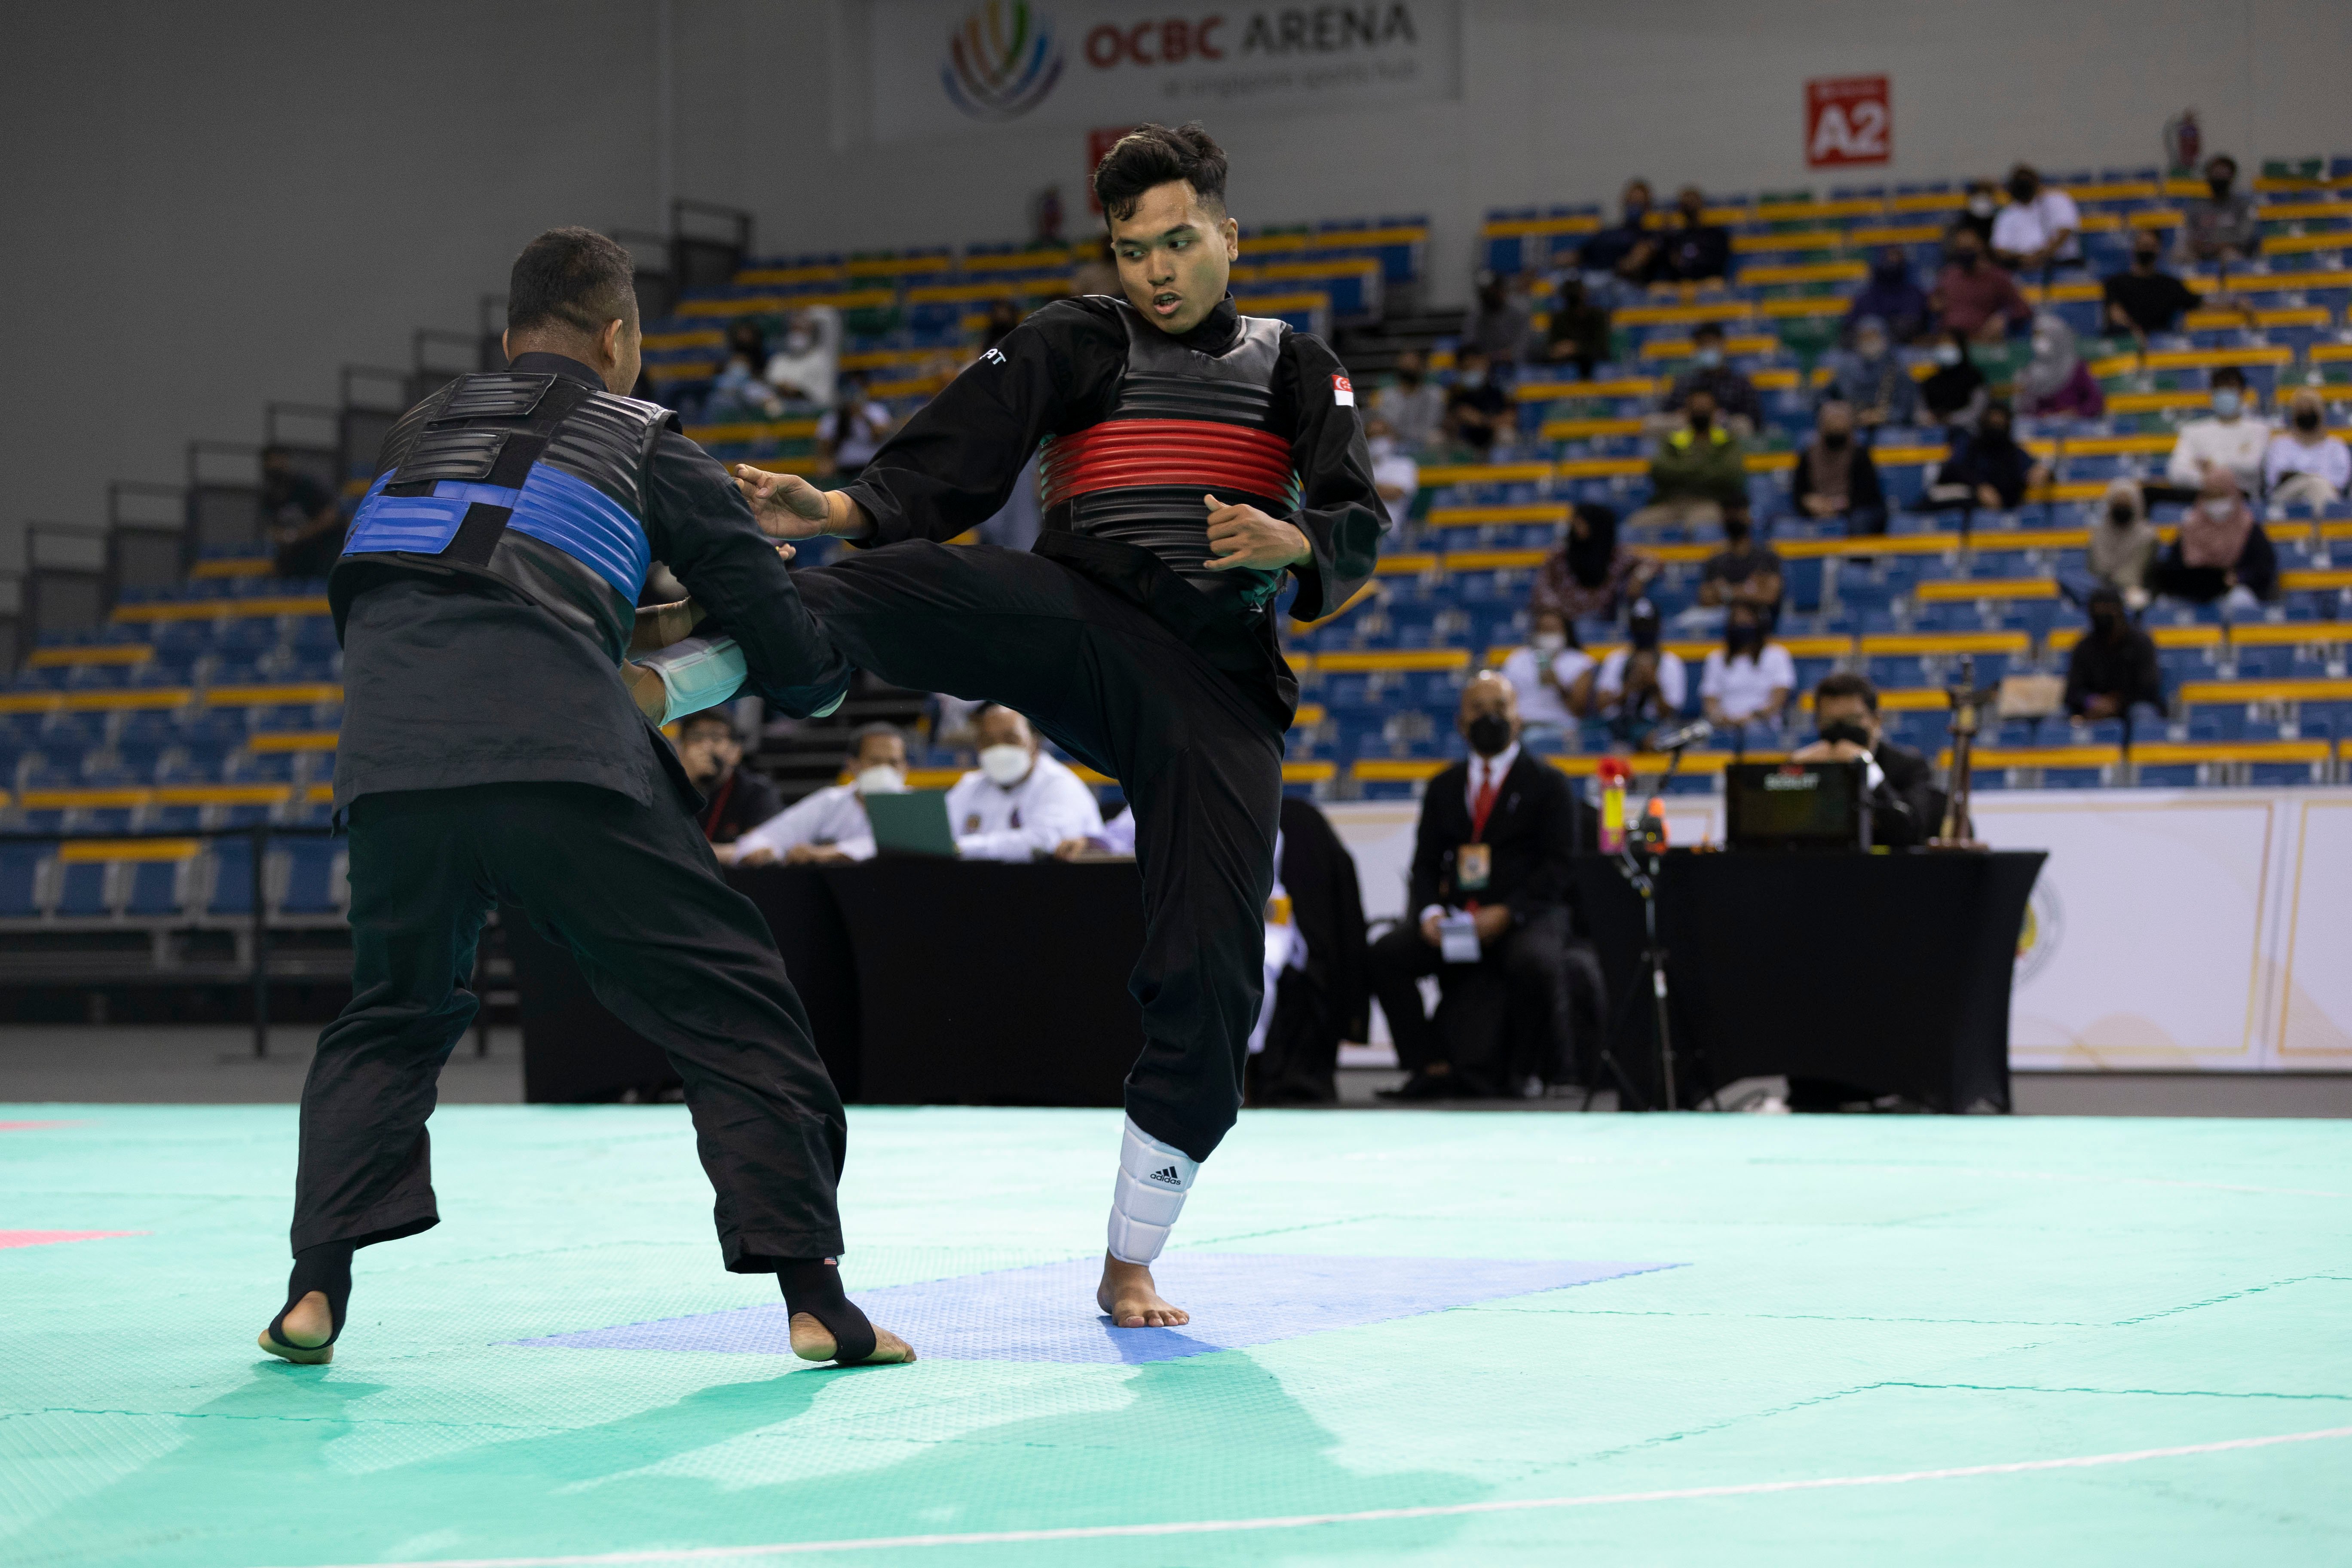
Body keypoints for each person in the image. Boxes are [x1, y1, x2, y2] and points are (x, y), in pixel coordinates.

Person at [649, 123, 1384, 1330]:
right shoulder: (1076, 339)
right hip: (1081, 622)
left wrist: (1298, 541)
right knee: (896, 584)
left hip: (1215, 690)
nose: (1155, 269)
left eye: (1180, 241)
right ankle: (681, 671)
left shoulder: (1299, 368)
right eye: (1132, 247)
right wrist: (835, 505)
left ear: (1229, 236)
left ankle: (1130, 1256)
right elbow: (956, 461)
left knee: (1211, 973)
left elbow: (1358, 513)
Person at [264, 227, 910, 1370]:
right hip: (559, 754)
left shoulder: (420, 434)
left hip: (391, 754)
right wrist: (745, 646)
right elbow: (804, 674)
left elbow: (459, 585)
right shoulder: (647, 438)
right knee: (733, 1002)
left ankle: (314, 1289)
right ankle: (817, 1298)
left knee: (393, 1010)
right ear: (620, 338)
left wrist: (628, 638)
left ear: (507, 340)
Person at [1367, 673, 1583, 1100]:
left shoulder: (1549, 784)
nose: (1490, 718)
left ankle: (1528, 1073)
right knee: (1385, 956)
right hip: (1459, 920)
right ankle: (1430, 1064)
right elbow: (1426, 864)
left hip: (1525, 915)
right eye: (1478, 709)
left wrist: (1508, 913)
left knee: (1535, 961)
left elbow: (1560, 866)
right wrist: (1430, 914)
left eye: (1500, 707)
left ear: (1519, 719)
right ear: (1460, 722)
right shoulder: (1443, 787)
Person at [1790, 671, 1938, 848]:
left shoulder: (1908, 766)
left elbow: (1910, 832)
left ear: (1876, 721)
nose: (1840, 730)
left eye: (1852, 720)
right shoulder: (1807, 764)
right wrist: (1794, 776)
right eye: (1829, 722)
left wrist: (1867, 769)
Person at [733, 723, 909, 866]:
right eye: (875, 762)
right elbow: (763, 839)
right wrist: (766, 851)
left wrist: (826, 853)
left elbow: (890, 847)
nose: (884, 771)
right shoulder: (831, 801)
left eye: (894, 763)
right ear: (853, 766)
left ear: (905, 768)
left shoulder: (920, 807)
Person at [943, 704, 1102, 859]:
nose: (1000, 750)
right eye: (989, 741)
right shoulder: (971, 785)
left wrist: (962, 847)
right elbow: (940, 836)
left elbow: (1042, 843)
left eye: (1011, 739)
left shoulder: (1061, 785)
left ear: (1034, 742)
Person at [2152, 469, 2278, 608]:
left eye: (2221, 495)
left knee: (2240, 601)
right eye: (2211, 496)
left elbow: (2263, 569)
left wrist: (2239, 578)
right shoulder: (2191, 527)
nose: (2216, 502)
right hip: (2192, 596)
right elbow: (2173, 568)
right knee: (2163, 604)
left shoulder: (2248, 528)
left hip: (2229, 595)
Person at [1629, 387, 1746, 532]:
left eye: (1705, 408)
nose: (1700, 411)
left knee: (1697, 528)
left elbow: (1731, 475)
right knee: (1635, 526)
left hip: (1710, 503)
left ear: (1716, 412)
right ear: (1686, 412)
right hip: (1671, 503)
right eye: (1696, 407)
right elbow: (1659, 471)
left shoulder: (1727, 442)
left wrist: (1682, 471)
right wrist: (1705, 470)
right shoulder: (1673, 440)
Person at [676, 710, 783, 859]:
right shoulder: (668, 788)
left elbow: (760, 852)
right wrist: (684, 782)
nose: (705, 746)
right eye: (695, 737)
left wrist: (692, 854)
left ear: (736, 752)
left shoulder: (757, 791)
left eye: (716, 737)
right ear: (680, 750)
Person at [1530, 501, 1656, 623]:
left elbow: (1653, 561)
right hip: (1565, 624)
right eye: (1575, 521)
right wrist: (1558, 612)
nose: (1575, 526)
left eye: (1582, 522)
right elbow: (1542, 588)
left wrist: (1639, 576)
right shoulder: (1560, 555)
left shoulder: (1617, 556)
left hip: (1604, 623)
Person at [1593, 600, 1688, 746]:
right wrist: (1629, 688)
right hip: (1616, 721)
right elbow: (1600, 705)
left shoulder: (1671, 663)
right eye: (1639, 626)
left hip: (1652, 723)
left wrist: (1653, 685)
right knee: (1587, 733)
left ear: (1658, 627)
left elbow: (1670, 714)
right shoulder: (1616, 660)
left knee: (1652, 737)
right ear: (1631, 628)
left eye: (1648, 626)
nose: (1643, 631)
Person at [2063, 586, 2163, 722]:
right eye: (2098, 610)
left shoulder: (2140, 643)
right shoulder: (2084, 647)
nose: (2103, 614)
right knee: (2058, 717)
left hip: (2131, 705)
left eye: (2108, 609)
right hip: (2093, 709)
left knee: (2143, 713)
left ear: (2120, 611)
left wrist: (2116, 703)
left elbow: (2148, 687)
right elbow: (2072, 692)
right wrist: (2092, 702)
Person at [2164, 368, 2269, 495]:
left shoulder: (2259, 430)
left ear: (2242, 393)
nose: (2225, 393)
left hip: (2244, 500)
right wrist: (2210, 482)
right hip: (2200, 496)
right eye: (2220, 389)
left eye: (2230, 388)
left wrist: (2208, 465)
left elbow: (2250, 467)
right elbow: (2177, 473)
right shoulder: (2193, 431)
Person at [1700, 601, 1794, 741]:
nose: (1742, 626)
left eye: (1747, 621)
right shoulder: (1715, 659)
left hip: (1763, 725)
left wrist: (1751, 718)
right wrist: (1723, 719)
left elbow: (1778, 699)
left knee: (1754, 732)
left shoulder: (1777, 655)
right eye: (1737, 622)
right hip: (1724, 726)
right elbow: (1710, 701)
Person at [1791, 400, 1887, 537]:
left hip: (1852, 512)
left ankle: (1855, 559)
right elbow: (1799, 493)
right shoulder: (1808, 455)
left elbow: (1867, 496)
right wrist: (1810, 502)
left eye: (1840, 421)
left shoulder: (1860, 454)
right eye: (1832, 421)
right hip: (1816, 511)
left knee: (1860, 521)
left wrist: (1835, 506)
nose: (1836, 425)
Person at [1498, 608, 1596, 735]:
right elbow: (1503, 702)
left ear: (1565, 632)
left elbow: (1579, 711)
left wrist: (1559, 686)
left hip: (1562, 727)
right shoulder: (1517, 659)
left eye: (1553, 630)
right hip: (1523, 726)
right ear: (1535, 632)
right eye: (1544, 630)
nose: (1548, 634)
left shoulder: (1580, 662)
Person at [1933, 401, 2046, 510]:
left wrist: (2042, 472)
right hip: (1961, 504)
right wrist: (1980, 487)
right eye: (1992, 422)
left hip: (2000, 512)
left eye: (2000, 423)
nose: (1996, 427)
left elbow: (2035, 469)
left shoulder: (2013, 451)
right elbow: (1953, 470)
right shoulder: (1969, 446)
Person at [1931, 226, 2030, 344]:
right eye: (1961, 249)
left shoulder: (1997, 277)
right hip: (1951, 343)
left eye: (1969, 249)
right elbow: (1934, 302)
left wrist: (2004, 318)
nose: (1965, 253)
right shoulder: (1949, 275)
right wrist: (1936, 303)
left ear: (1980, 246)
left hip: (1982, 343)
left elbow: (2022, 309)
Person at [1821, 315, 1919, 430]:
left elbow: (1907, 408)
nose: (1869, 341)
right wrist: (1844, 414)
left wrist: (1884, 416)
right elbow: (1824, 398)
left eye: (1874, 336)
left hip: (1891, 429)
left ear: (1885, 338)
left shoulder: (1898, 368)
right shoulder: (1845, 369)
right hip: (1852, 428)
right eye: (1865, 337)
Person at [1661, 322, 1759, 435]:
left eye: (1711, 343)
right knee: (1653, 423)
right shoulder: (1685, 382)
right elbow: (1667, 413)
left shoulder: (1740, 384)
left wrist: (1721, 417)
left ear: (1722, 345)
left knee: (1742, 424)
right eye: (1702, 344)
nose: (1707, 348)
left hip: (1725, 433)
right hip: (1689, 432)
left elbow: (1754, 420)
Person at [263, 445, 345, 580]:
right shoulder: (269, 495)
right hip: (299, 551)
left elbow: (330, 515)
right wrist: (284, 537)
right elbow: (272, 528)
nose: (274, 466)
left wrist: (298, 535)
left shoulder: (305, 486)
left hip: (325, 545)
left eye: (278, 460)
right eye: (270, 462)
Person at [2263, 387, 2350, 509]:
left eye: (2311, 406)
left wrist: (2305, 478)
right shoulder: (2279, 445)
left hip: (2326, 499)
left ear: (2321, 412)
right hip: (2286, 499)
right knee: (2316, 484)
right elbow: (2275, 479)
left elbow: (2338, 483)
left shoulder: (2336, 447)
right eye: (2302, 406)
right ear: (2293, 413)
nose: (2306, 410)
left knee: (2318, 486)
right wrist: (2310, 480)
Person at [2103, 235, 2203, 340]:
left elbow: (2199, 305)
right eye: (2143, 245)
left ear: (2159, 250)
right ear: (2135, 248)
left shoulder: (2170, 285)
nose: (2146, 250)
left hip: (2162, 345)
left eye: (2151, 246)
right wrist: (2134, 332)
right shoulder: (2116, 283)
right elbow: (2115, 313)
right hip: (2125, 342)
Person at [2082, 478, 2159, 610]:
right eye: (2118, 502)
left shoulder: (2148, 536)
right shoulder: (2099, 534)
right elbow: (2096, 569)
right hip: (2100, 589)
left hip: (2134, 589)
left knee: (2137, 601)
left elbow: (2135, 572)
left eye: (2126, 502)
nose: (2122, 506)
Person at [1988, 164, 2080, 275]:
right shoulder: (2007, 214)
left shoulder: (2057, 201)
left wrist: (2041, 256)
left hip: (2059, 264)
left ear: (2035, 183)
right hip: (2019, 267)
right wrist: (2024, 258)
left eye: (2027, 182)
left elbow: (2065, 231)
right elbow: (2000, 249)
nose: (2024, 186)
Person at [1696, 509, 1783, 622]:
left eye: (1739, 513)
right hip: (1724, 622)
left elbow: (1770, 596)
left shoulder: (1768, 557)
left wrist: (1726, 591)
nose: (1735, 518)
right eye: (1730, 513)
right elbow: (1706, 598)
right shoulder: (1716, 560)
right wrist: (1749, 590)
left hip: (1761, 622)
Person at [2015, 312, 2104, 420]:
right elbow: (2026, 409)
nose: (2040, 342)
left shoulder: (2077, 367)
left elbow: (2096, 401)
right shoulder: (2030, 371)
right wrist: (2043, 416)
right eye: (2037, 336)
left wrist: (2076, 413)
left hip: (2076, 426)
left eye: (2045, 335)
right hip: (2043, 429)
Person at [2177, 154, 2260, 266]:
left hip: (2230, 251)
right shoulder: (2197, 207)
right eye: (2216, 174)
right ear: (2208, 177)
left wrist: (2221, 245)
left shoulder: (2243, 206)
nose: (2220, 179)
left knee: (2232, 259)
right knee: (2180, 256)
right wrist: (2199, 244)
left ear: (2231, 177)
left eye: (2224, 175)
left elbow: (2245, 236)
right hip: (2200, 252)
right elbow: (2188, 232)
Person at [1842, 248, 1932, 345]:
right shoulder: (1866, 296)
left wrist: (1885, 332)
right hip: (1864, 353)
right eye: (1888, 259)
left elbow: (1915, 326)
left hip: (1902, 349)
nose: (1891, 264)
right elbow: (1848, 328)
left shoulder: (1913, 294)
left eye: (1895, 259)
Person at [818, 373, 893, 478]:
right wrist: (827, 460)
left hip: (872, 464)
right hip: (846, 467)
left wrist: (863, 417)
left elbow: (880, 436)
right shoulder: (834, 416)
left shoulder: (876, 410)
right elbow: (825, 444)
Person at [1578, 178, 1657, 280]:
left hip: (1622, 283)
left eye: (1638, 203)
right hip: (1589, 277)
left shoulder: (1648, 237)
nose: (1634, 207)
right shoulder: (1608, 233)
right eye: (1631, 202)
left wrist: (1614, 271)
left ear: (1647, 206)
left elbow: (1635, 261)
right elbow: (1581, 254)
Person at [763, 306, 838, 407]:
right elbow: (768, 392)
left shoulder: (821, 358)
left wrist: (806, 314)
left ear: (811, 332)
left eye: (802, 329)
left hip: (811, 415)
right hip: (782, 415)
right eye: (794, 329)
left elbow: (831, 319)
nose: (797, 334)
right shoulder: (778, 361)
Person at [1372, 350, 1445, 453]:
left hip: (1425, 438)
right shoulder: (1386, 396)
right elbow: (1386, 423)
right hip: (1395, 439)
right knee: (1379, 443)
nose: (1410, 368)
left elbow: (1434, 423)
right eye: (1407, 365)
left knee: (1438, 438)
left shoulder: (1435, 394)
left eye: (1414, 365)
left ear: (1421, 367)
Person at [1443, 346, 1510, 455]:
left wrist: (1482, 420)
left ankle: (1507, 471)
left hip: (1491, 440)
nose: (1474, 370)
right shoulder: (1455, 392)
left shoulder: (1496, 389)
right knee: (1437, 438)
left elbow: (1510, 417)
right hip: (1464, 441)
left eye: (1477, 366)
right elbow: (1450, 421)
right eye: (1468, 367)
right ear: (1460, 369)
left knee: (1506, 435)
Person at [1542, 272, 1611, 378]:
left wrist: (1575, 348)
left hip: (1592, 364)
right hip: (1564, 363)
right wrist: (1560, 350)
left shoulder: (1598, 316)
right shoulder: (1559, 318)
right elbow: (1552, 348)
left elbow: (1602, 348)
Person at [1656, 186, 1730, 284]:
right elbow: (1668, 264)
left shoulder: (1715, 234)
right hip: (1679, 284)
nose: (1689, 205)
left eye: (1693, 201)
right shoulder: (1675, 237)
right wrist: (1665, 235)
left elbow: (1719, 261)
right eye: (1685, 203)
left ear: (1701, 204)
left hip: (1708, 282)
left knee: (1715, 285)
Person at [1919, 329, 1990, 431]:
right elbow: (1921, 410)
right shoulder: (1931, 381)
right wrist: (1929, 418)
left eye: (1949, 343)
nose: (1944, 348)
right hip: (1933, 431)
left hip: (1968, 431)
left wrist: (1952, 419)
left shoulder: (1974, 377)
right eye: (1941, 344)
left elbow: (1978, 409)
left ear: (1961, 346)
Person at [1463, 271, 1533, 366]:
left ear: (1501, 290)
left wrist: (1507, 355)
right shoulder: (1475, 316)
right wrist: (1483, 358)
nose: (1489, 295)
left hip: (1514, 367)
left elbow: (1523, 346)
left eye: (1492, 291)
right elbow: (1469, 345)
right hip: (1483, 367)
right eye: (1485, 292)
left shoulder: (1518, 314)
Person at [1365, 416, 1420, 529]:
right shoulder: (1360, 465)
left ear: (1391, 437)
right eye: (1372, 435)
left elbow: (1395, 494)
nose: (1376, 439)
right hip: (1358, 529)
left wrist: (1363, 487)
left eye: (1381, 434)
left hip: (1388, 531)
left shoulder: (1404, 464)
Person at [1955, 178, 2002, 247]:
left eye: (1986, 193)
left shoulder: (1999, 217)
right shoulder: (1966, 218)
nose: (1983, 197)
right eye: (1980, 192)